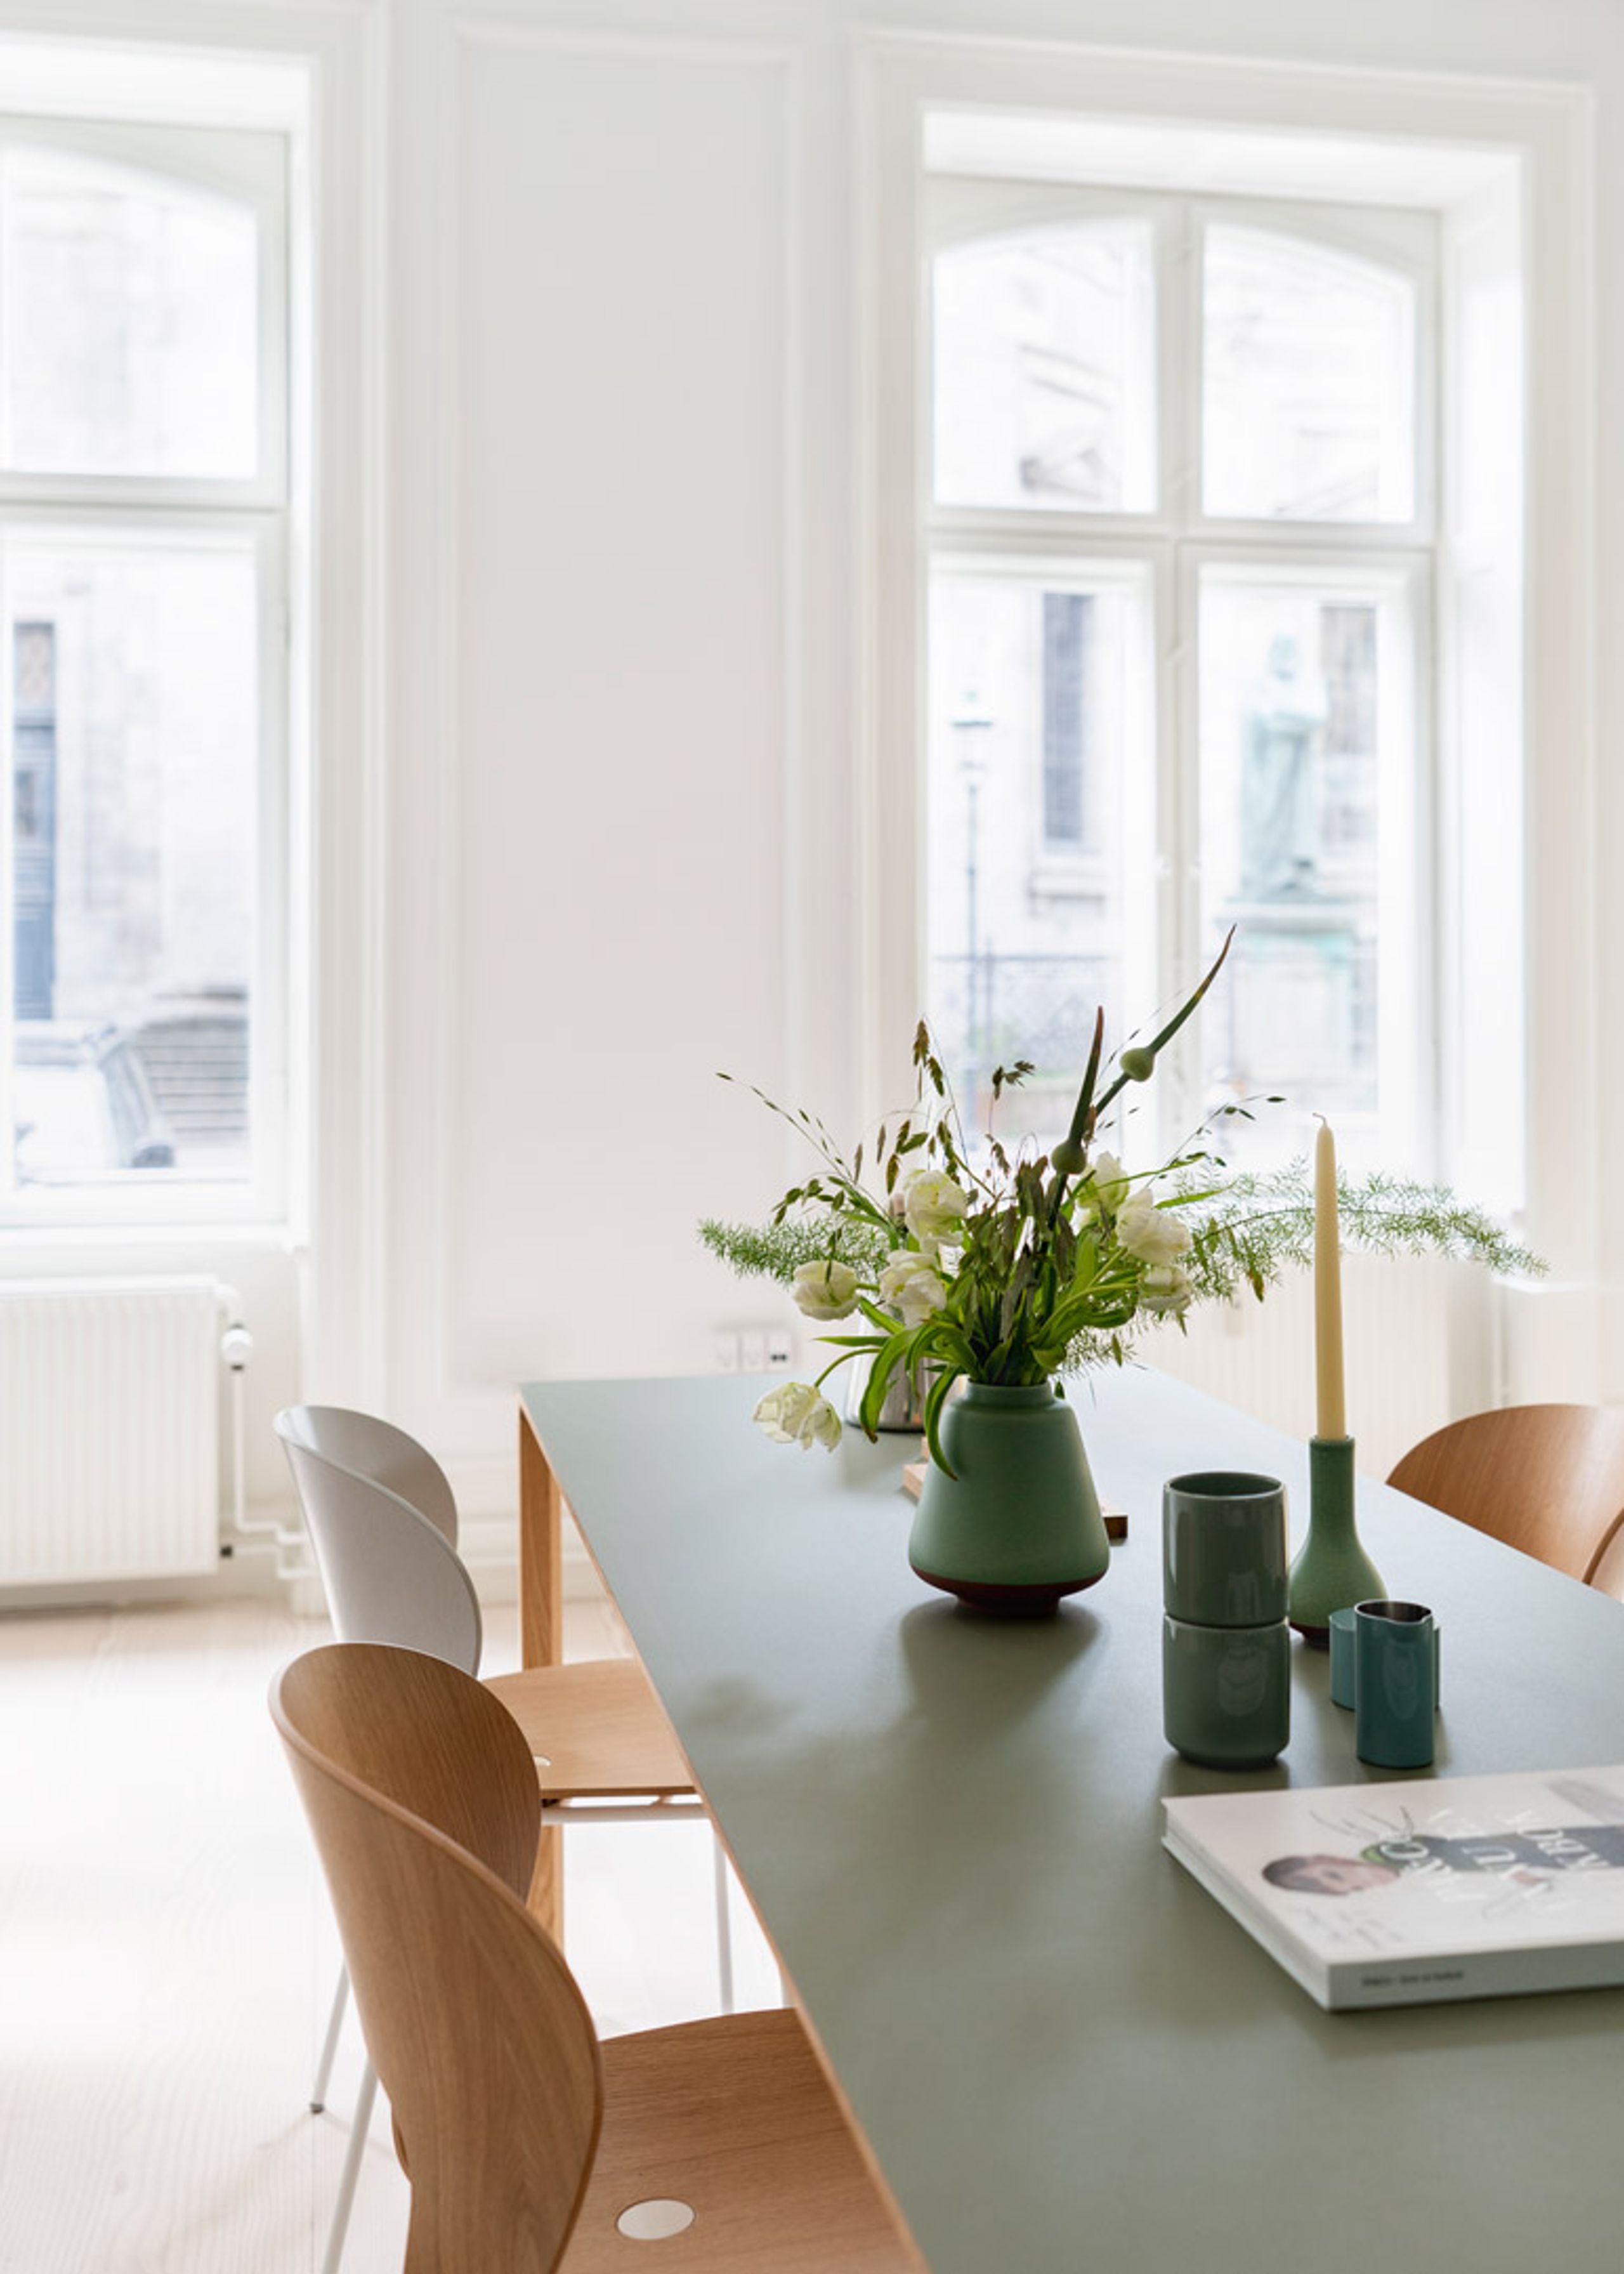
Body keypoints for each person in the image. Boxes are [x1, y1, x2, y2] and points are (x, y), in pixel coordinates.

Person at [1264, 1819, 1624, 1896]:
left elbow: (1452, 1850)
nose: (1355, 1886)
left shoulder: (1388, 1853)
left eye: (1336, 1875)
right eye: (1341, 1889)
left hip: (1543, 1846)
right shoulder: (1411, 1888)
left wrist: (1513, 1874)